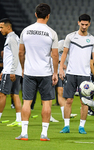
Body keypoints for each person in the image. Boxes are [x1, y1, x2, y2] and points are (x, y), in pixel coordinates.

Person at [15, 3, 59, 141]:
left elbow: (21, 52)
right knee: (46, 102)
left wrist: (23, 67)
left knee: (27, 102)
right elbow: (55, 55)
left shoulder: (26, 31)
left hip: (29, 72)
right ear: (48, 16)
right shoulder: (52, 33)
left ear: (35, 14)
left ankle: (24, 133)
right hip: (45, 72)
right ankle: (44, 134)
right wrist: (55, 72)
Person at [59, 14, 94, 134]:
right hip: (71, 73)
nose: (83, 26)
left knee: (85, 102)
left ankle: (81, 127)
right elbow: (64, 53)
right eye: (82, 24)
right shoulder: (70, 37)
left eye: (86, 24)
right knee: (68, 100)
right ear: (78, 23)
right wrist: (61, 69)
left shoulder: (92, 39)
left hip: (85, 75)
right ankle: (66, 126)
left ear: (89, 24)